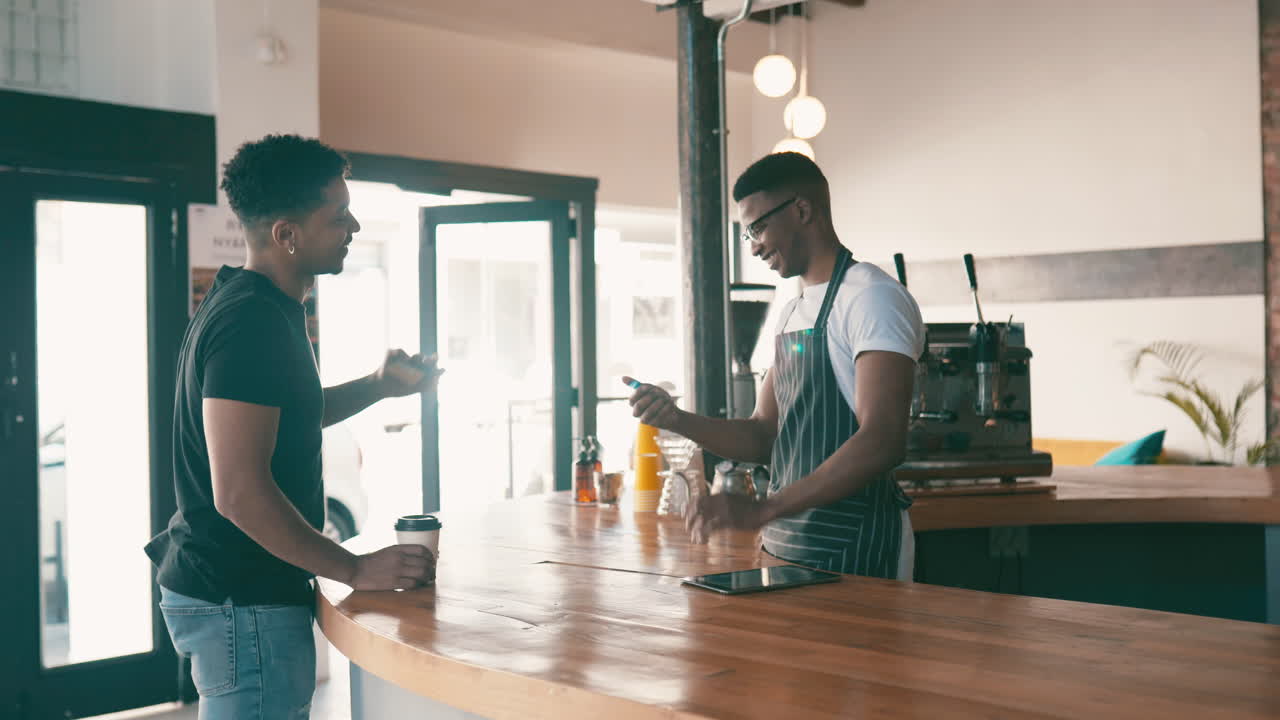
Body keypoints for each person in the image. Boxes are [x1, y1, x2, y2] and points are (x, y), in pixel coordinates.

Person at [144, 134, 439, 719]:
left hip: (234, 592)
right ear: (286, 233)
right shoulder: (251, 322)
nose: (353, 225)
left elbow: (280, 418)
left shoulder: (258, 304)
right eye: (338, 216)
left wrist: (377, 387)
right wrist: (352, 567)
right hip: (240, 599)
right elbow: (239, 493)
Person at [625, 152, 924, 579]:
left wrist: (765, 507)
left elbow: (883, 439)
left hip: (857, 547)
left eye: (758, 227)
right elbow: (764, 435)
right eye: (748, 232)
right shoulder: (792, 313)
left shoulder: (872, 297)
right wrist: (677, 418)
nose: (754, 245)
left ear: (803, 210)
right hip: (785, 546)